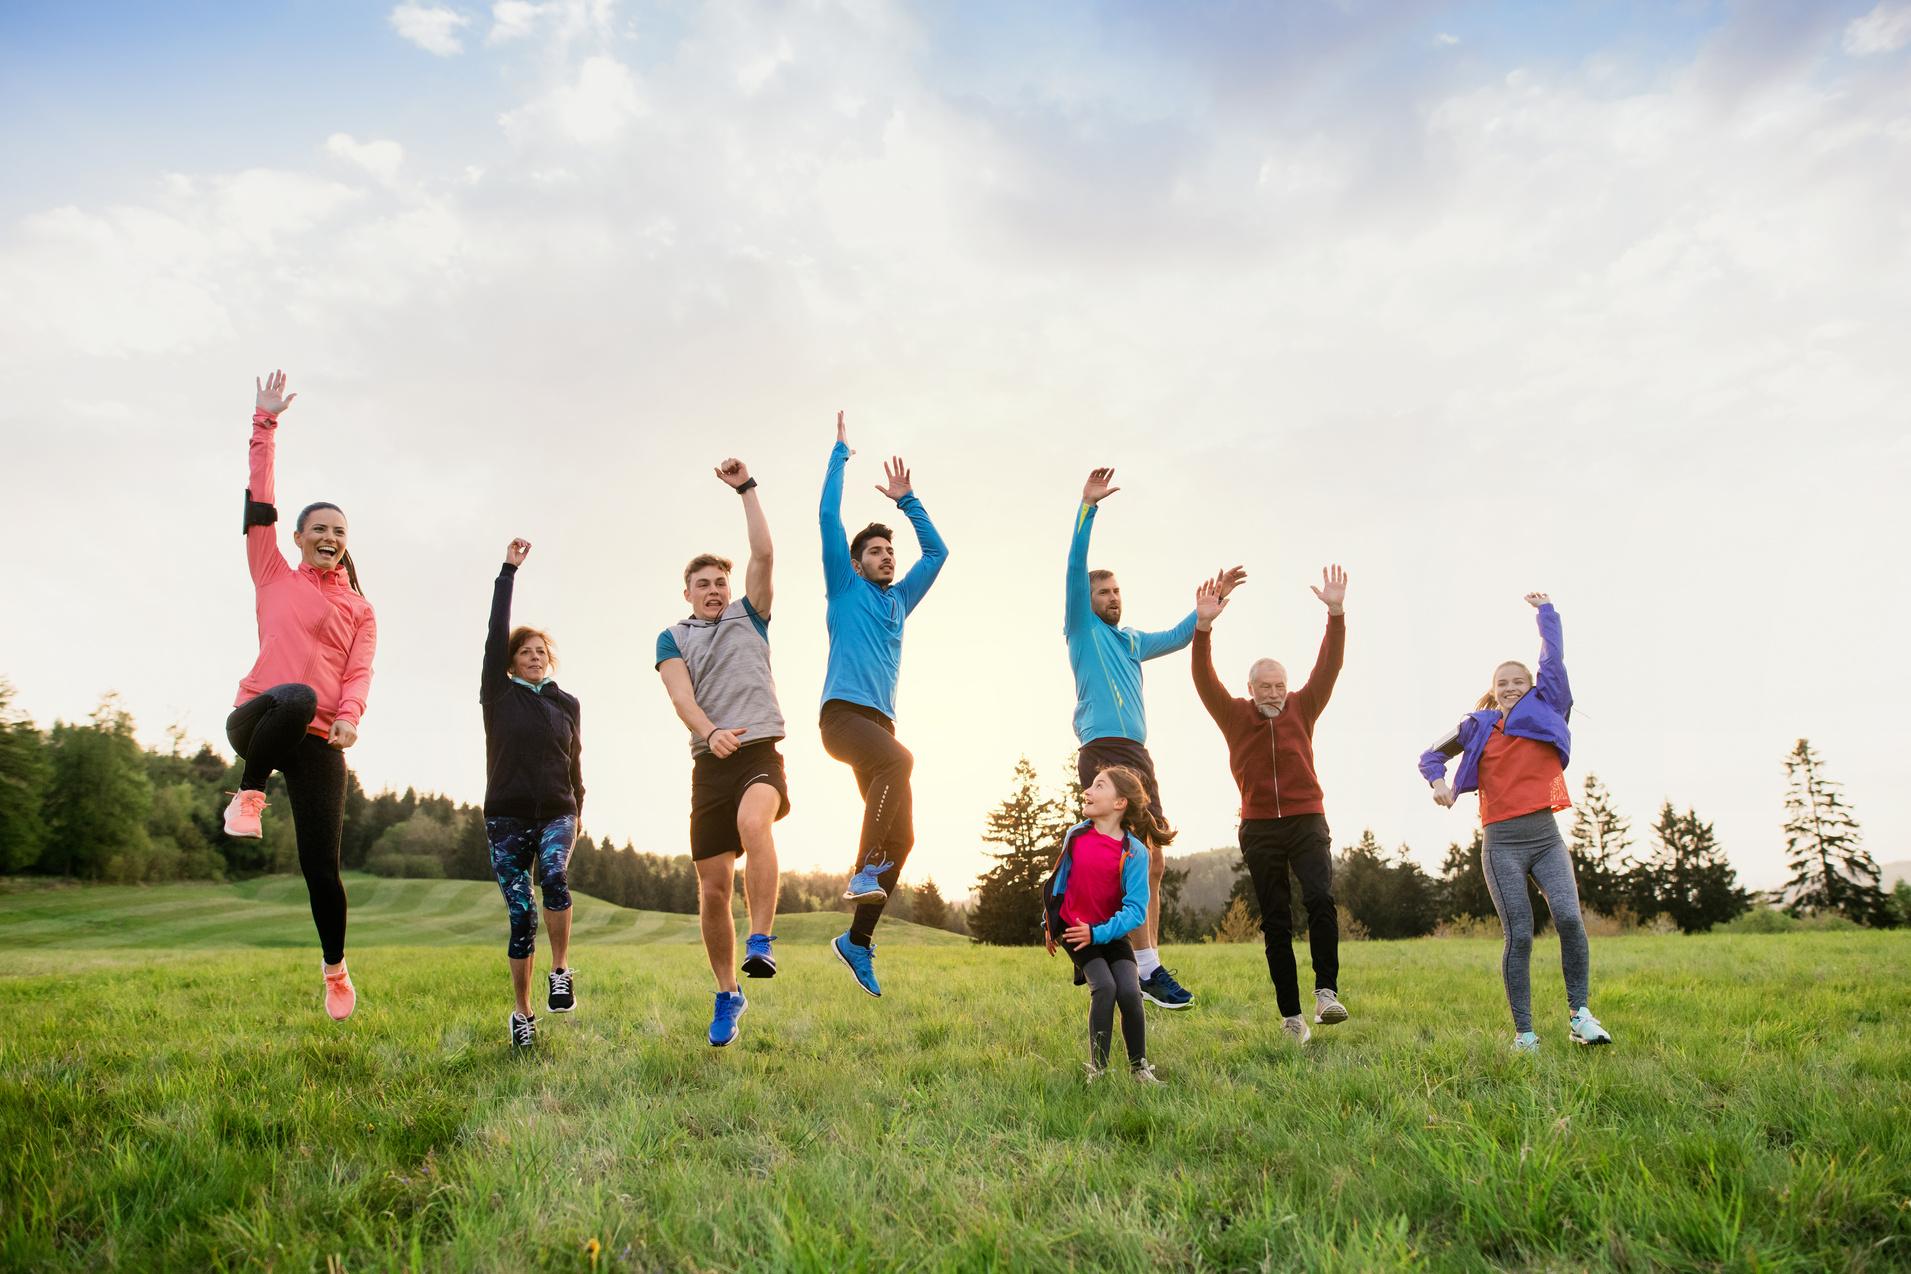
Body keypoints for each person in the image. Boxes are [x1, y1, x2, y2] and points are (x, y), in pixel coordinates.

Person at [222, 370, 377, 1022]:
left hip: (318, 739)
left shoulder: (361, 608)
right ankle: (249, 792)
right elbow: (260, 498)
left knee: (323, 867)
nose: (329, 537)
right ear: (297, 537)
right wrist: (265, 423)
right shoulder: (270, 571)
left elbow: (359, 675)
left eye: (339, 531)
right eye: (319, 528)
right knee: (291, 695)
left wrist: (348, 721)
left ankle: (335, 970)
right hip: (259, 716)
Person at [1064, 466, 1240, 1009]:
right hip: (1104, 751)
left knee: (1154, 860)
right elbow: (1074, 569)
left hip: (1139, 756)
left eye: (1117, 591)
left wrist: (1204, 614)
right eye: (1104, 592)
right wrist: (1087, 508)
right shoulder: (1082, 628)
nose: (1113, 598)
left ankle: (1144, 962)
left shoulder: (1133, 640)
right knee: (1126, 858)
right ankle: (1137, 963)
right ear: (1088, 600)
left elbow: (1178, 635)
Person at [1418, 592, 1613, 1052]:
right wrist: (1438, 783)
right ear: (1493, 688)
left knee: (1568, 916)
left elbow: (1554, 660)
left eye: (1518, 681)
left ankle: (1579, 1015)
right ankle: (1525, 1034)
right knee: (1519, 933)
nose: (1509, 687)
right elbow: (1431, 754)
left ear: (1530, 686)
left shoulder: (1547, 708)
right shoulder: (1477, 726)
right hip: (1501, 843)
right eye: (1502, 682)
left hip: (1545, 837)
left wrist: (1545, 614)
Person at [656, 458, 789, 1047]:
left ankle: (761, 939)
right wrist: (710, 733)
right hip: (710, 761)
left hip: (759, 750)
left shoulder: (750, 617)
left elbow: (763, 555)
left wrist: (747, 490)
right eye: (703, 584)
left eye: (719, 583)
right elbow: (680, 696)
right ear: (687, 593)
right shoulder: (673, 637)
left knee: (753, 820)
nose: (714, 591)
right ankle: (726, 993)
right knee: (712, 887)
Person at [819, 411, 949, 996]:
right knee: (900, 762)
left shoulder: (899, 601)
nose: (885, 557)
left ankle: (858, 941)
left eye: (888, 552)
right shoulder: (844, 589)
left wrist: (909, 501)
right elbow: (826, 516)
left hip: (880, 723)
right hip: (842, 717)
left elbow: (938, 553)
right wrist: (841, 454)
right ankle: (864, 866)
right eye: (874, 551)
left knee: (907, 839)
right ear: (855, 562)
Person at [1191, 565, 1349, 1044]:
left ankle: (1326, 993)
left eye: (1280, 685)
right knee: (1276, 920)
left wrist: (1336, 614)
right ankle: (1291, 1018)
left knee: (1320, 898)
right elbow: (1204, 679)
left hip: (1307, 819)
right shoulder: (1234, 714)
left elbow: (1330, 666)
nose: (1276, 693)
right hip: (1259, 827)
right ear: (1252, 689)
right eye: (1266, 686)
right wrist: (1203, 627)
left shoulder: (1304, 705)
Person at [481, 538, 585, 1050]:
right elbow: (496, 630)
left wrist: (578, 812)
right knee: (521, 913)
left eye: (541, 651)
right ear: (511, 661)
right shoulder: (497, 695)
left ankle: (561, 970)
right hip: (505, 817)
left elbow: (576, 764)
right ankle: (522, 1013)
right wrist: (508, 573)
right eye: (525, 651)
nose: (534, 657)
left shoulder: (568, 704)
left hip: (559, 812)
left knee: (556, 874)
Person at [1043, 766, 1169, 1083]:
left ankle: (1140, 1068)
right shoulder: (1077, 836)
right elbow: (1058, 883)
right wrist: (1049, 924)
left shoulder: (1135, 852)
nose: (1087, 791)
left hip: (1110, 932)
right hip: (1076, 930)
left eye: (1099, 786)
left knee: (1129, 991)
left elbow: (1136, 910)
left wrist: (1100, 931)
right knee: (1105, 987)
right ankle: (1097, 1071)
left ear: (1119, 803)